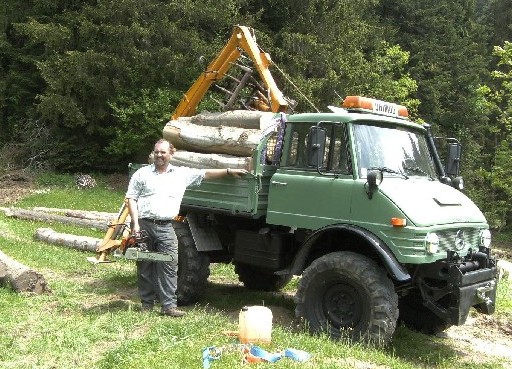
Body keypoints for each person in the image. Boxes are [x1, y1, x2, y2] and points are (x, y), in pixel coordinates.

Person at [126, 138, 248, 317]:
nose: (159, 155)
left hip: (167, 227)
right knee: (145, 265)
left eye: (163, 152)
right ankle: (146, 304)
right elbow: (131, 198)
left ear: (171, 154)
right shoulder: (142, 174)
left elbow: (205, 174)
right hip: (143, 225)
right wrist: (135, 225)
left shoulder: (181, 174)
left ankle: (168, 306)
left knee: (169, 264)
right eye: (157, 152)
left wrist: (229, 171)